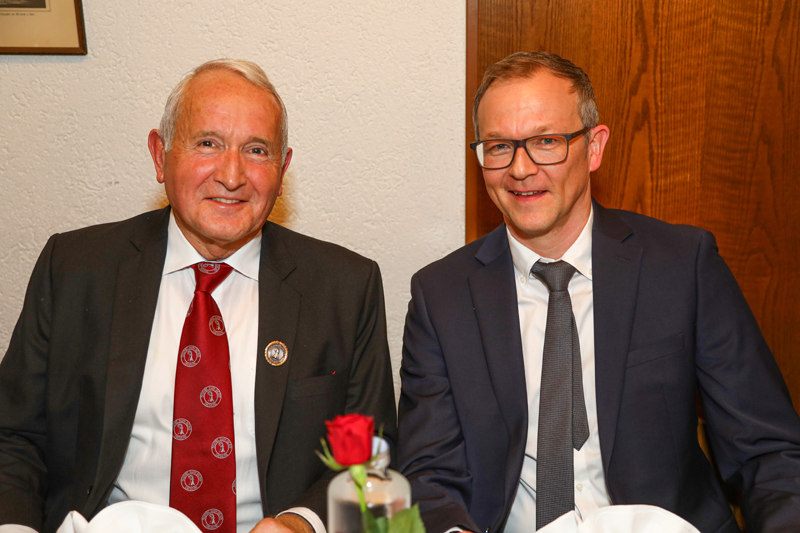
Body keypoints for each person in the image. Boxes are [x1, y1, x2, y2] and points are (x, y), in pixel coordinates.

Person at [397, 51, 800, 533]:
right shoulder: (441, 296)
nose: (520, 169)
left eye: (546, 141)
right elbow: (428, 474)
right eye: (499, 146)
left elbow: (768, 451)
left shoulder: (682, 266)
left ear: (594, 147)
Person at [0, 59, 396, 533]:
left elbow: (369, 459)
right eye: (208, 143)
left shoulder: (344, 287)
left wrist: (300, 523)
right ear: (159, 155)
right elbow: (14, 437)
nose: (232, 175)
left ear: (282, 168)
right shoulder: (76, 268)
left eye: (256, 150)